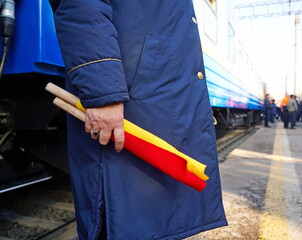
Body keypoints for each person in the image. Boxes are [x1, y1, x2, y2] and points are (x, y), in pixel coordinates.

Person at [50, 1, 227, 239]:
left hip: (149, 92)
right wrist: (104, 93)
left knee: (158, 217)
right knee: (126, 217)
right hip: (130, 94)